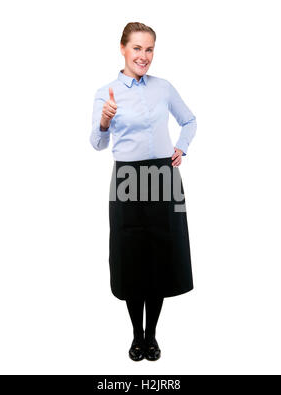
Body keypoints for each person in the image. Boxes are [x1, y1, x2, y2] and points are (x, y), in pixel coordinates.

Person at [90, 22, 197, 362]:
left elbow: (189, 121)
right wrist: (104, 122)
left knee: (161, 256)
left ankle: (153, 336)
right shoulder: (107, 93)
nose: (144, 56)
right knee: (132, 257)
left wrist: (180, 147)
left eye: (149, 49)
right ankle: (137, 336)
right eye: (137, 48)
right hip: (127, 179)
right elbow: (97, 143)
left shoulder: (163, 88)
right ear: (123, 48)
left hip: (163, 177)